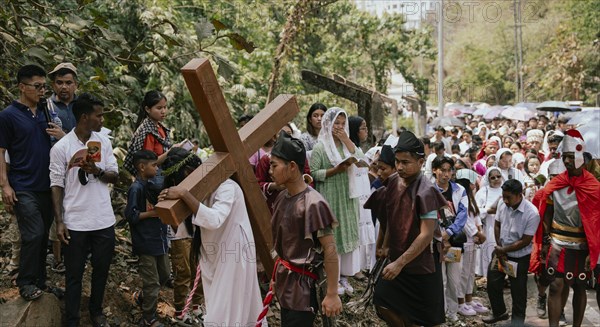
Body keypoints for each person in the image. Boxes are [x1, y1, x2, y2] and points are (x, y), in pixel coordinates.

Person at [158, 148, 264, 326]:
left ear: (192, 172)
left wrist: (184, 194)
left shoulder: (227, 187)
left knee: (230, 309)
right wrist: (167, 206)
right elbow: (184, 231)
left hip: (234, 256)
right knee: (217, 305)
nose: (182, 187)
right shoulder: (197, 195)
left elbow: (214, 219)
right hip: (212, 257)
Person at [50, 93, 119, 327]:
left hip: (103, 220)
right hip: (75, 222)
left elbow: (114, 176)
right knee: (73, 275)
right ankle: (72, 318)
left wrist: (96, 170)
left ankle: (96, 312)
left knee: (101, 271)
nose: (101, 120)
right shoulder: (62, 147)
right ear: (84, 117)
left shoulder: (104, 142)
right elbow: (56, 184)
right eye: (98, 115)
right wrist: (60, 221)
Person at [369, 131, 448, 327]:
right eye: (397, 161)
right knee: (382, 300)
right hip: (398, 257)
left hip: (423, 262)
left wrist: (399, 263)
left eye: (406, 162)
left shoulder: (426, 190)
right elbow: (390, 216)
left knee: (428, 318)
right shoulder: (394, 181)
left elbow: (426, 234)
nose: (400, 167)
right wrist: (385, 245)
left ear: (421, 162)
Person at [268, 132, 342, 326]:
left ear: (292, 167)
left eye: (274, 165)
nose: (270, 170)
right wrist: (276, 278)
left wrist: (332, 293)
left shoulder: (314, 204)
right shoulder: (281, 198)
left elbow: (330, 248)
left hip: (303, 289)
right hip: (286, 282)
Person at [0, 64, 57, 301]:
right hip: (23, 185)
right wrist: (5, 185)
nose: (42, 91)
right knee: (33, 234)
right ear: (22, 87)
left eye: (44, 86)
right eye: (37, 86)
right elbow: (1, 151)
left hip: (47, 185)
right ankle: (24, 281)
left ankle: (40, 282)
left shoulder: (45, 112)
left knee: (43, 237)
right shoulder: (7, 116)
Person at [532, 130, 600, 327]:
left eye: (571, 157)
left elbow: (596, 221)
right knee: (555, 286)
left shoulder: (593, 186)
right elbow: (547, 211)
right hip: (558, 242)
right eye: (565, 157)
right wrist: (545, 240)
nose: (567, 161)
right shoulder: (557, 182)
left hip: (582, 244)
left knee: (580, 287)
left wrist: (593, 250)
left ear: (581, 158)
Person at [309, 107, 364, 295]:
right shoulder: (320, 147)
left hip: (347, 196)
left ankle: (345, 277)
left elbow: (362, 160)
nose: (339, 127)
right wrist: (336, 170)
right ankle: (333, 279)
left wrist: (346, 139)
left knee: (347, 233)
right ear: (328, 124)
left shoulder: (345, 145)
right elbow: (314, 173)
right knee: (333, 236)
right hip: (330, 195)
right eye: (336, 124)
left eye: (342, 124)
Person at [482, 180, 539, 326]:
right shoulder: (502, 203)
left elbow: (526, 240)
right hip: (501, 252)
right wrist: (500, 248)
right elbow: (497, 224)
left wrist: (504, 250)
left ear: (519, 195)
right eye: (504, 196)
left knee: (518, 291)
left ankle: (517, 323)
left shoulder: (532, 213)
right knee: (493, 282)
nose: (505, 201)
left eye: (509, 197)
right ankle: (499, 312)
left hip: (519, 257)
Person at [124, 150, 169, 327]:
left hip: (160, 241)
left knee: (164, 275)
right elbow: (131, 216)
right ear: (142, 167)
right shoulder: (136, 188)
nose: (157, 168)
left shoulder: (154, 186)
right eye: (154, 165)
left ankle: (141, 297)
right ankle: (148, 318)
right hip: (145, 242)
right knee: (152, 283)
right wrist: (152, 214)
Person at [431, 156, 468, 322]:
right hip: (435, 242)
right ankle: (441, 314)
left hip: (455, 242)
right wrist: (439, 235)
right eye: (443, 170)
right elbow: (428, 215)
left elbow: (462, 214)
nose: (446, 174)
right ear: (434, 170)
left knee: (454, 280)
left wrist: (449, 232)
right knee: (441, 280)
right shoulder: (429, 190)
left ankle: (452, 313)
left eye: (449, 170)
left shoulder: (459, 190)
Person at [454, 170, 488, 316]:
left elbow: (476, 216)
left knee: (470, 273)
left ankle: (468, 300)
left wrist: (480, 231)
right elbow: (465, 220)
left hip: (474, 241)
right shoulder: (460, 198)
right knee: (463, 273)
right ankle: (460, 302)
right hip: (466, 240)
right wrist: (476, 233)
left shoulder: (470, 197)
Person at [348, 116, 376, 273]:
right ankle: (356, 268)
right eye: (363, 128)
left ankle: (363, 266)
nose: (366, 131)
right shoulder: (351, 149)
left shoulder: (358, 149)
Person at [124, 90, 172, 175]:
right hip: (153, 178)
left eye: (165, 107)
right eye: (159, 108)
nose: (163, 111)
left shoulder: (160, 127)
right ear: (147, 109)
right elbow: (149, 164)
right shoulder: (147, 131)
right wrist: (170, 152)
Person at [475, 167, 503, 277]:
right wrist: (488, 210)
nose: (496, 179)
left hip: (503, 225)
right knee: (489, 250)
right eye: (493, 177)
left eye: (498, 176)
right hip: (489, 225)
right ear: (488, 179)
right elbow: (476, 211)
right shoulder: (483, 192)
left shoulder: (505, 189)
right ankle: (488, 276)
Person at [48, 62, 78, 133]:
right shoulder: (46, 107)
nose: (64, 87)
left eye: (68, 83)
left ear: (76, 85)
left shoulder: (84, 106)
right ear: (53, 85)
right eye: (59, 83)